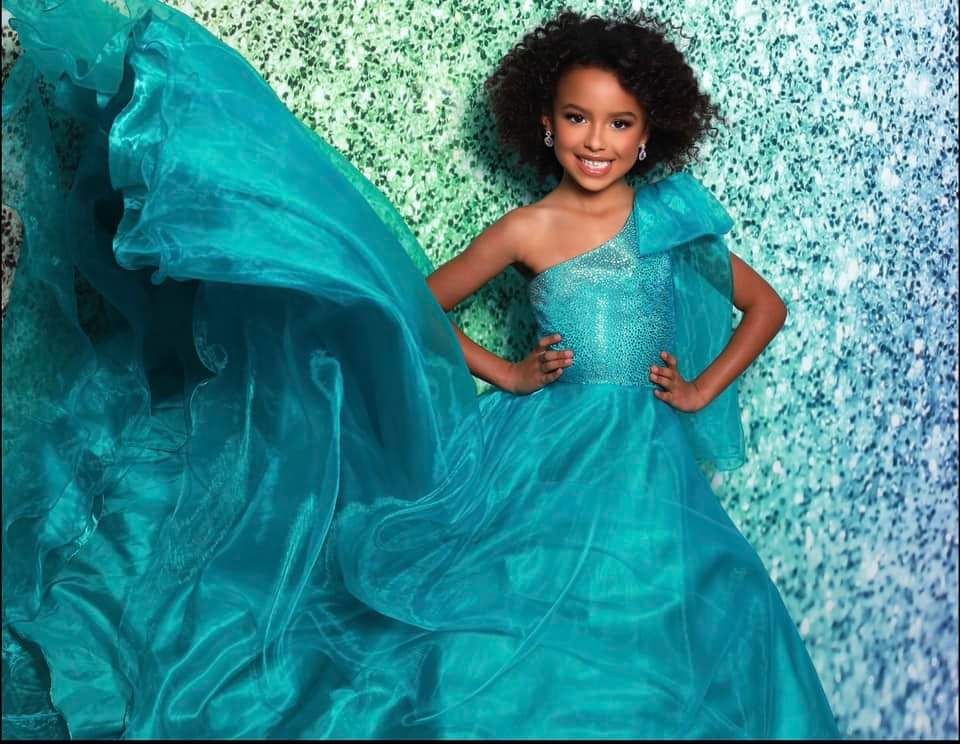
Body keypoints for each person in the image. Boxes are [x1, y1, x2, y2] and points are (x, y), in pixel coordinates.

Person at [1, 0, 842, 738]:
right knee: (520, 608)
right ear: (545, 124)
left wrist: (698, 390)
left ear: (649, 132)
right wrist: (508, 373)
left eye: (619, 124)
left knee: (674, 608)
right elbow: (420, 306)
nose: (597, 140)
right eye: (577, 118)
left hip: (647, 456)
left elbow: (766, 307)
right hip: (551, 449)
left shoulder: (668, 221)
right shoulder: (529, 229)